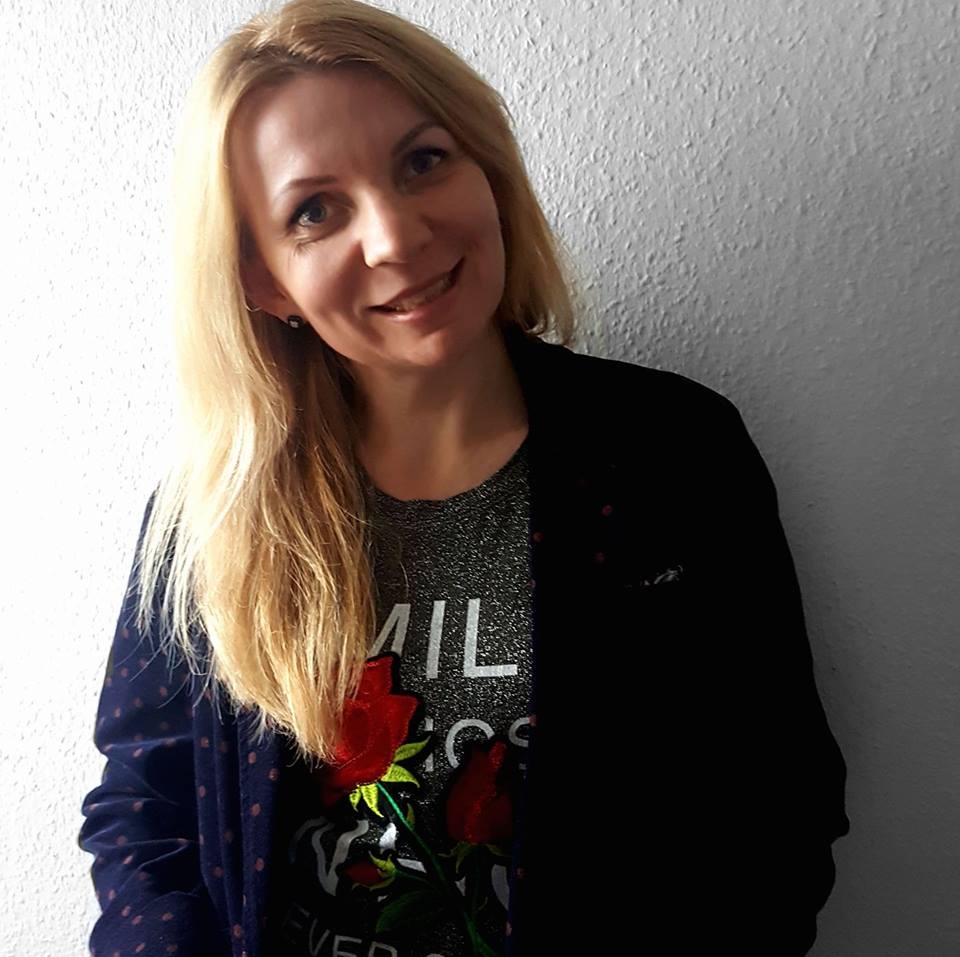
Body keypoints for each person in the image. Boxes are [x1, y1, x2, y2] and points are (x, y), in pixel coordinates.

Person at [79, 1, 850, 955]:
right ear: (265, 280)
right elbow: (145, 808)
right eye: (314, 211)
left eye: (422, 161)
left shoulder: (672, 452)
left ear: (488, 170)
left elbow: (779, 798)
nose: (396, 236)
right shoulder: (213, 512)